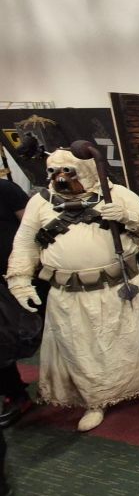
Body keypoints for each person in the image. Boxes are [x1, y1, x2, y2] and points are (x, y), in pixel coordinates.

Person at [6, 148, 139, 432]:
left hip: (121, 285)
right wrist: (19, 279)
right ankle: (95, 401)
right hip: (71, 294)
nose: (61, 178)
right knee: (82, 350)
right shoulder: (40, 203)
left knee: (135, 339)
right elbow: (26, 242)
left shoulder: (117, 194)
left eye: (68, 171)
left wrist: (126, 216)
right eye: (54, 171)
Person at [0, 178, 36, 430]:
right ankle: (13, 392)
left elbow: (31, 227)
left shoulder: (4, 189)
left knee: (34, 330)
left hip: (18, 276)